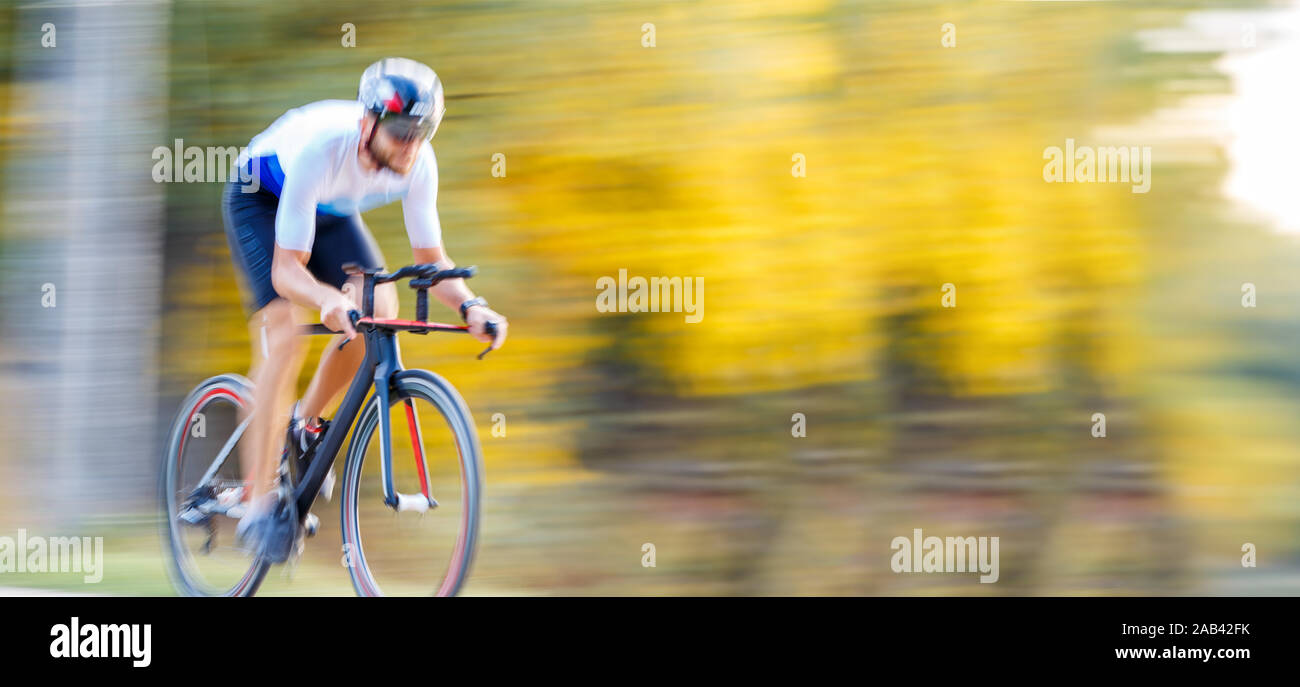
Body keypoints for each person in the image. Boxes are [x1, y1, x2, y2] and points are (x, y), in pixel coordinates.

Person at [220, 57, 507, 561]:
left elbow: (430, 263)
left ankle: (303, 425)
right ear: (368, 123)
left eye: (422, 132)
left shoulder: (419, 162)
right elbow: (286, 272)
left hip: (329, 211)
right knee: (284, 335)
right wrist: (327, 297)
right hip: (262, 197)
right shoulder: (323, 148)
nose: (410, 145)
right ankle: (258, 504)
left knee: (377, 307)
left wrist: (472, 307)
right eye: (400, 130)